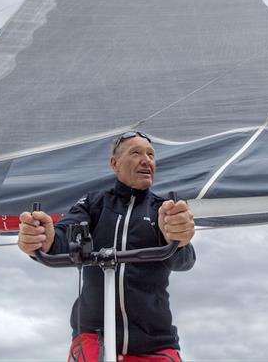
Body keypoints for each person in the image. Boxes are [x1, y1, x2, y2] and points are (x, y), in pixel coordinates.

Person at [18, 131, 196, 361]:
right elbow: (62, 239)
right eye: (136, 153)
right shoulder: (93, 204)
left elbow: (185, 260)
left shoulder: (163, 211)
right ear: (115, 163)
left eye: (151, 155)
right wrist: (42, 240)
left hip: (155, 341)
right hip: (94, 336)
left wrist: (177, 238)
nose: (147, 160)